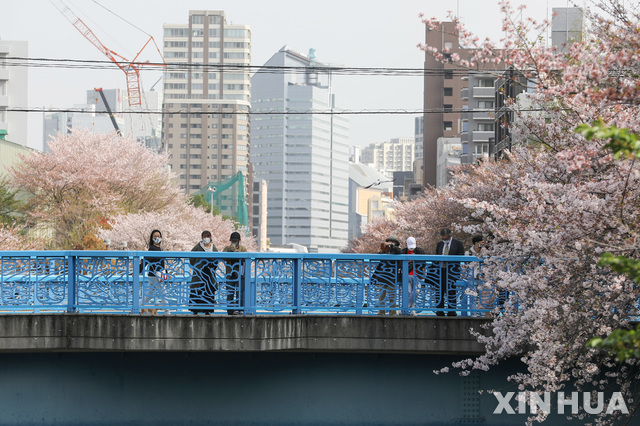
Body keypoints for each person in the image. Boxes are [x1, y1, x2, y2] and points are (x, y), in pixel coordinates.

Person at [435, 228, 465, 317]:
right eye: (442, 237)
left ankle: (451, 311)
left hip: (452, 271)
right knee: (439, 290)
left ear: (449, 235)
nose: (443, 238)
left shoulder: (458, 243)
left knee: (451, 290)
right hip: (441, 270)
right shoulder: (440, 244)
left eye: (444, 236)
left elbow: (461, 255)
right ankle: (439, 311)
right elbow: (437, 256)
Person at [189, 230, 218, 315]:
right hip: (199, 273)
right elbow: (191, 257)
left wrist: (213, 266)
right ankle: (196, 309)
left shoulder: (213, 248)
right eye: (204, 237)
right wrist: (196, 266)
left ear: (210, 238)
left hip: (209, 272)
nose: (206, 238)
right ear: (202, 238)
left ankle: (207, 309)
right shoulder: (198, 247)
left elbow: (217, 259)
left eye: (208, 236)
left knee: (208, 290)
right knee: (198, 289)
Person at [372, 235, 402, 316]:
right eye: (389, 242)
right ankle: (381, 312)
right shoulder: (384, 251)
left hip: (392, 276)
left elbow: (399, 252)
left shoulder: (397, 251)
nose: (391, 243)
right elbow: (379, 260)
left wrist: (392, 246)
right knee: (382, 295)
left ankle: (392, 313)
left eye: (393, 242)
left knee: (392, 296)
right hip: (382, 276)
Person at [141, 229, 165, 315]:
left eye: (158, 236)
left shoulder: (158, 248)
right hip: (155, 275)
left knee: (148, 295)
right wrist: (139, 269)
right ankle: (168, 312)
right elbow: (146, 260)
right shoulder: (153, 249)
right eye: (155, 236)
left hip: (154, 275)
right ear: (152, 238)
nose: (157, 238)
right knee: (163, 293)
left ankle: (136, 307)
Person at [223, 231, 247, 315]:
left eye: (235, 241)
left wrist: (236, 252)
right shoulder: (227, 248)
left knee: (240, 293)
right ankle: (230, 310)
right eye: (232, 241)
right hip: (230, 274)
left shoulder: (243, 249)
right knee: (230, 292)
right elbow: (223, 257)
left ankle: (239, 309)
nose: (234, 242)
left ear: (239, 241)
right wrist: (230, 251)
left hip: (240, 274)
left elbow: (245, 259)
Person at [402, 236, 425, 316]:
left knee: (416, 291)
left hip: (418, 275)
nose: (411, 249)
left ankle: (406, 306)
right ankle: (412, 310)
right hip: (407, 275)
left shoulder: (420, 251)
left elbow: (423, 263)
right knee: (408, 292)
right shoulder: (403, 251)